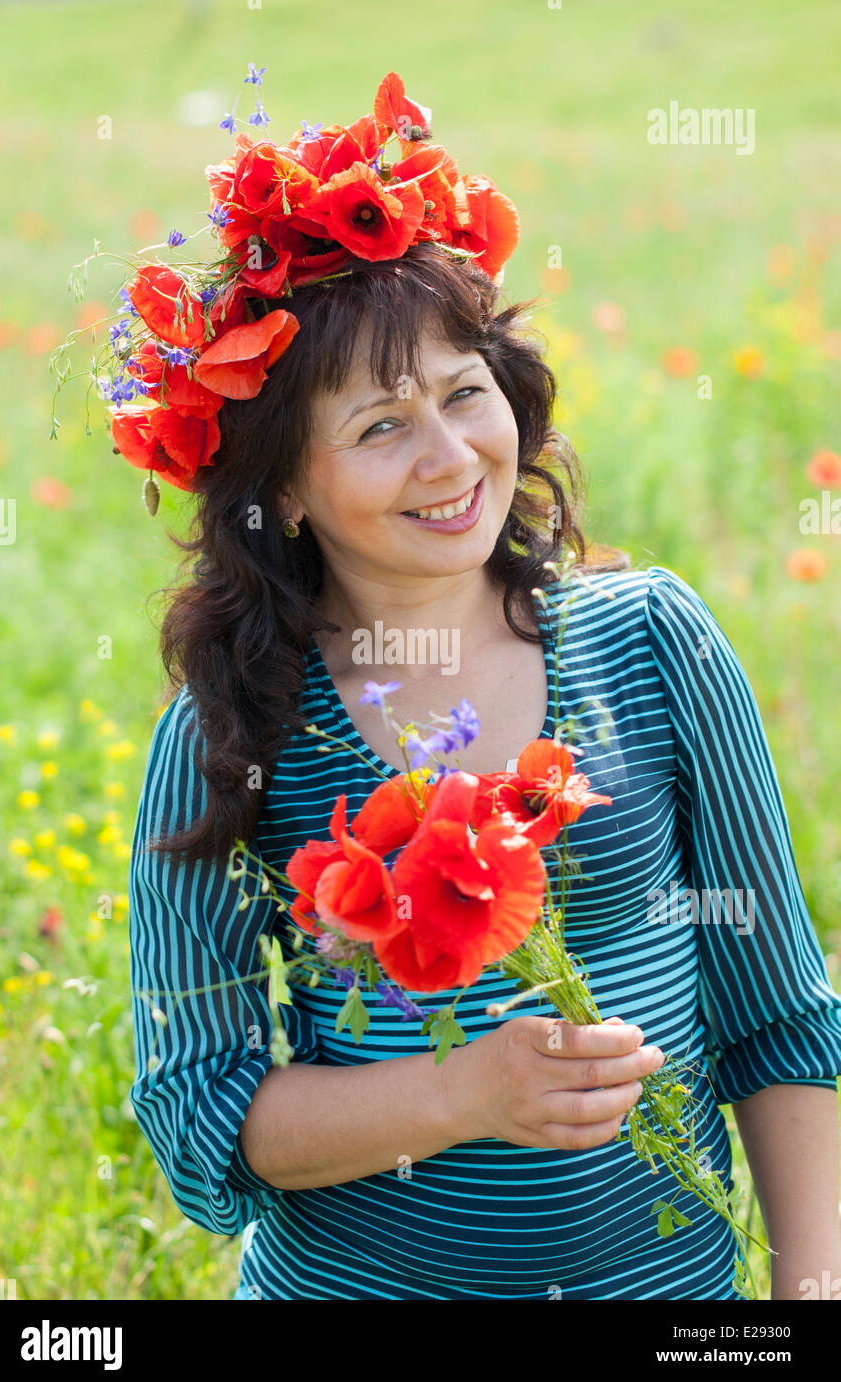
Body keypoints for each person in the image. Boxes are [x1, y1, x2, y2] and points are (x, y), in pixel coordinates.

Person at [119, 70, 841, 1300]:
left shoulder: (653, 643)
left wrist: (810, 1292)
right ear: (284, 488)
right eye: (381, 427)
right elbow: (202, 1119)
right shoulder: (232, 725)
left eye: (466, 393)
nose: (452, 457)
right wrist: (464, 1095)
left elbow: (777, 1011)